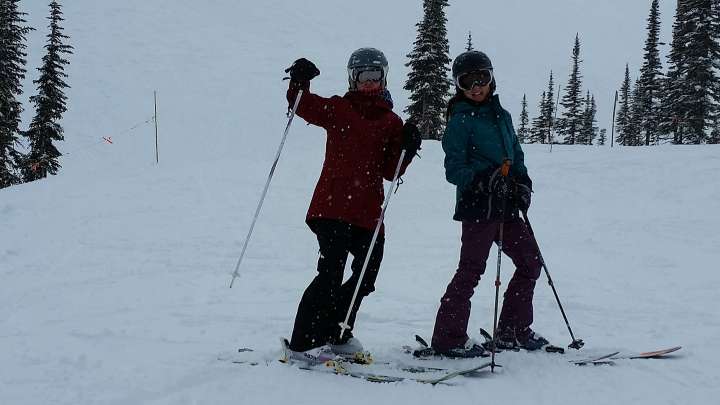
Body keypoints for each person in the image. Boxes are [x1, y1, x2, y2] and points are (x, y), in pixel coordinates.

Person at [282, 48, 421, 363]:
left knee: (365, 275)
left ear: (383, 78)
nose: (370, 83)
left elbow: (390, 171)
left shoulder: (391, 121)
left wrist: (407, 148)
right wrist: (300, 80)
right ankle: (302, 342)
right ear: (353, 78)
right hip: (331, 208)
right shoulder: (339, 109)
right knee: (330, 273)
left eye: (375, 77)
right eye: (363, 77)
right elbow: (302, 104)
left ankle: (338, 333)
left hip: (368, 214)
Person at [429, 50, 547, 358]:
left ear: (491, 78)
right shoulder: (460, 120)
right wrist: (483, 180)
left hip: (506, 205)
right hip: (478, 206)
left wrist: (523, 186)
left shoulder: (503, 116)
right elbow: (454, 169)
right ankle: (447, 337)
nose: (476, 87)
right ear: (459, 86)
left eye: (482, 79)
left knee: (531, 262)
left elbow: (516, 157)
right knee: (471, 270)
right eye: (468, 82)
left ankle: (512, 330)